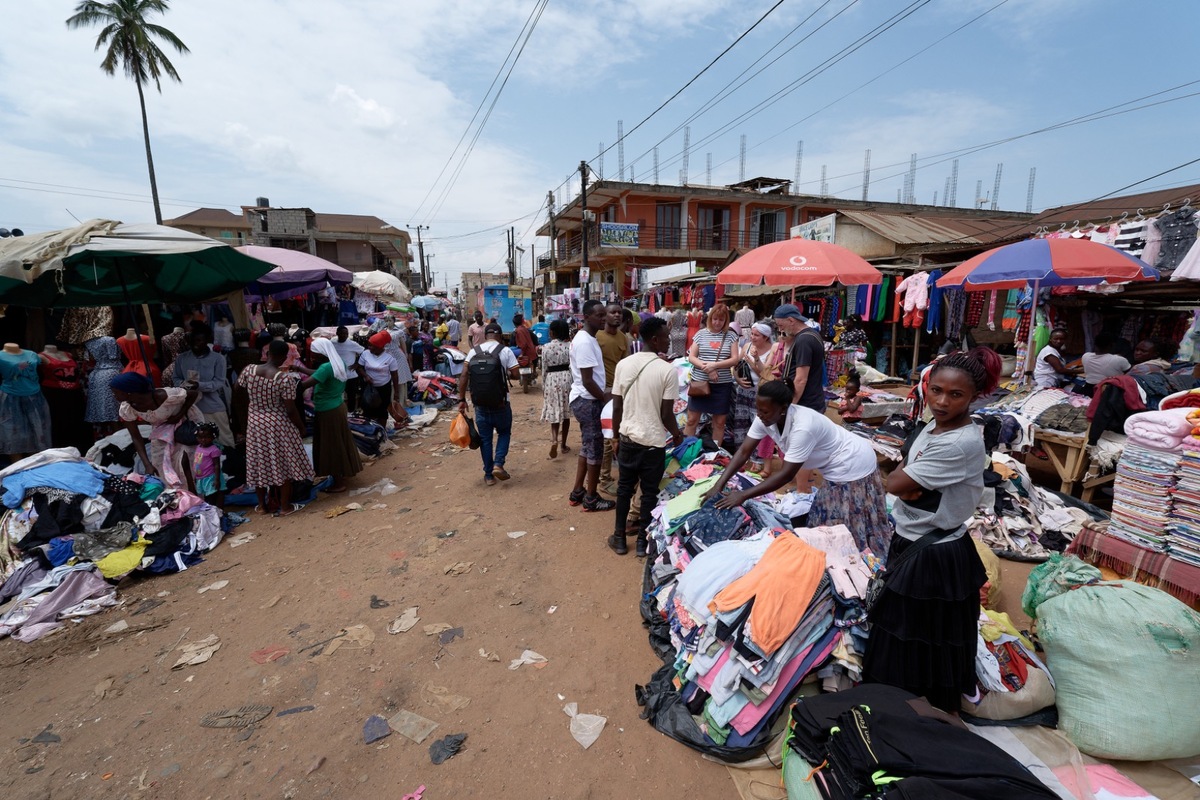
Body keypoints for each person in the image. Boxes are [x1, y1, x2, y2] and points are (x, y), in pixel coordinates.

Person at [862, 347, 1001, 713]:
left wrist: (906, 481)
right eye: (936, 390)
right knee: (913, 635)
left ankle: (925, 713)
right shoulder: (932, 426)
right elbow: (905, 477)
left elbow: (894, 483)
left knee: (921, 638)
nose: (941, 401)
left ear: (974, 397)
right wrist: (909, 481)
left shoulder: (959, 442)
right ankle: (904, 704)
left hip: (934, 553)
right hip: (914, 538)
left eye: (955, 395)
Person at [703, 380, 893, 556]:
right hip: (834, 465)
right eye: (758, 409)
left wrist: (743, 495)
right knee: (826, 520)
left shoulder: (803, 427)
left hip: (852, 462)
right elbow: (744, 451)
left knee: (849, 523)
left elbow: (786, 475)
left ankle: (860, 560)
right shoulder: (765, 418)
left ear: (783, 409)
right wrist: (718, 486)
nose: (759, 415)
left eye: (765, 411)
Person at [609, 316, 683, 556]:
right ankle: (642, 542)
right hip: (653, 444)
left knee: (624, 489)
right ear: (654, 339)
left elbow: (617, 407)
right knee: (649, 493)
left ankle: (619, 538)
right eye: (665, 337)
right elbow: (666, 414)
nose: (669, 340)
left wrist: (616, 436)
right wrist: (677, 434)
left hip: (628, 439)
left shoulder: (624, 365)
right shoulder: (667, 371)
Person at [238, 340, 314, 516]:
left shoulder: (249, 370)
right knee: (281, 465)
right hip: (277, 423)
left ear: (268, 353)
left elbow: (238, 389)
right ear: (283, 356)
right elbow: (290, 409)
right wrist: (301, 428)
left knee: (259, 463)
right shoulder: (283, 378)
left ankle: (262, 507)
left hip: (255, 423)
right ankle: (285, 507)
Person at [111, 371, 202, 491]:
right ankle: (176, 497)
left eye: (116, 392)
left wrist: (179, 415)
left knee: (185, 461)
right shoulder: (127, 408)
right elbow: (136, 437)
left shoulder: (163, 395)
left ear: (128, 392)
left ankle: (195, 496)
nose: (114, 396)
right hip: (162, 429)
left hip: (185, 425)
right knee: (159, 464)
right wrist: (147, 464)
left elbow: (193, 394)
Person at [567, 300, 616, 512]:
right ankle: (591, 498)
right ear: (586, 317)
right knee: (595, 450)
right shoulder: (585, 341)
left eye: (605, 314)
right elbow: (587, 380)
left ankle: (578, 491)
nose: (604, 318)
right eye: (599, 315)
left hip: (586, 398)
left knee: (588, 448)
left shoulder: (588, 338)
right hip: (588, 400)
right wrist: (605, 399)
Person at [458, 323, 520, 486]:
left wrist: (461, 400)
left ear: (485, 335)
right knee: (504, 433)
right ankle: (498, 464)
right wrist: (504, 372)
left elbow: (464, 376)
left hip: (480, 405)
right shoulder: (505, 351)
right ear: (500, 336)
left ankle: (488, 476)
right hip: (501, 404)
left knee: (485, 439)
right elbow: (515, 375)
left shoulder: (473, 352)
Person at [300, 337, 363, 493]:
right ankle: (344, 473)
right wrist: (301, 370)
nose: (313, 356)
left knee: (330, 446)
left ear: (322, 353)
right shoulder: (337, 362)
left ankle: (338, 483)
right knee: (339, 442)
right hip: (337, 406)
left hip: (327, 411)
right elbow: (320, 374)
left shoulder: (325, 368)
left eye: (314, 353)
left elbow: (305, 384)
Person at [685, 302, 739, 446]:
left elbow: (735, 359)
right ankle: (685, 449)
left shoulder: (731, 336)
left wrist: (714, 366)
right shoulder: (701, 334)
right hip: (699, 382)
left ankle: (714, 452)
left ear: (726, 320)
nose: (717, 322)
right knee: (692, 419)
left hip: (722, 385)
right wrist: (707, 368)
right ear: (710, 318)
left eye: (721, 320)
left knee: (720, 422)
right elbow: (691, 356)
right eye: (715, 319)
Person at [172, 324, 233, 446]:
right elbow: (176, 378)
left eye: (200, 340)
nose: (196, 344)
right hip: (191, 408)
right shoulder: (182, 359)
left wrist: (199, 385)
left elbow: (218, 382)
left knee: (223, 440)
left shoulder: (218, 359)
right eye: (193, 341)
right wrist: (184, 385)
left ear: (207, 341)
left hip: (212, 407)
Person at [596, 303, 629, 491]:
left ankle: (608, 476)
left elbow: (627, 363)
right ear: (605, 316)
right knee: (607, 437)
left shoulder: (624, 338)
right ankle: (604, 479)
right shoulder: (596, 337)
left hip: (618, 390)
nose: (617, 315)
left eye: (619, 312)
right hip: (602, 391)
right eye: (612, 312)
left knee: (616, 434)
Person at [773, 304, 826, 412]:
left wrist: (790, 407)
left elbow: (801, 379)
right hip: (811, 401)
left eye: (781, 325)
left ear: (791, 320)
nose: (780, 329)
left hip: (805, 404)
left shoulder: (804, 340)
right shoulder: (812, 334)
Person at [357, 331, 407, 429]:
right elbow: (359, 367)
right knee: (367, 408)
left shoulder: (389, 358)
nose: (369, 348)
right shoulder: (365, 354)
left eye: (372, 346)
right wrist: (366, 376)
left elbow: (395, 376)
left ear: (379, 346)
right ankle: (369, 430)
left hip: (383, 388)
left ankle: (381, 430)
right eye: (369, 345)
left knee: (382, 410)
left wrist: (396, 392)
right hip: (368, 387)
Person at [540, 319, 573, 459]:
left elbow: (544, 368)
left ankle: (554, 439)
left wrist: (544, 385)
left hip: (552, 380)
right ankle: (563, 445)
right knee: (565, 414)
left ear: (552, 332)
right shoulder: (570, 346)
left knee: (554, 411)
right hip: (567, 379)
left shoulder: (546, 347)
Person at [331, 326, 365, 411]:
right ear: (337, 333)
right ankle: (339, 413)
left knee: (351, 396)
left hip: (351, 375)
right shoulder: (332, 343)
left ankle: (351, 413)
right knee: (337, 395)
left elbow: (364, 352)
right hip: (337, 375)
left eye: (346, 333)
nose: (344, 335)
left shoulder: (352, 344)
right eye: (342, 333)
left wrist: (357, 363)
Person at [192, 422, 224, 507]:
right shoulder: (198, 447)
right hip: (201, 477)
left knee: (211, 497)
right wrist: (196, 476)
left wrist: (217, 479)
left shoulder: (213, 450)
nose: (203, 440)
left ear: (213, 437)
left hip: (211, 477)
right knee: (206, 496)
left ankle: (214, 512)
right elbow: (198, 462)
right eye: (200, 437)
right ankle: (210, 512)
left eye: (206, 437)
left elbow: (217, 465)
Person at [512, 313, 539, 393]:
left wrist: (521, 353)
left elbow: (523, 344)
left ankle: (512, 369)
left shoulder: (518, 330)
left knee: (509, 350)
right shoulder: (524, 329)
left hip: (524, 351)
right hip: (531, 351)